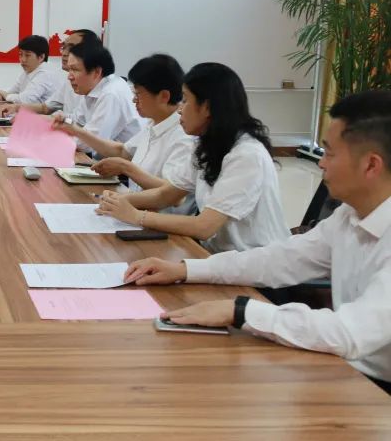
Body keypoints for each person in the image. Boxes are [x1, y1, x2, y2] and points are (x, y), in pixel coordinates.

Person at [124, 90, 391, 393]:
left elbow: (349, 333)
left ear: (371, 165)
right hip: (345, 369)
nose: (321, 164)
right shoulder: (348, 215)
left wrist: (240, 311)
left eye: (329, 153)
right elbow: (280, 259)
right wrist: (185, 269)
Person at [96, 62, 289, 254]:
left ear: (207, 107)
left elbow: (204, 227)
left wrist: (136, 216)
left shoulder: (247, 155)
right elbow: (167, 194)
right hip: (218, 255)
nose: (180, 109)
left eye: (186, 100)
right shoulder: (206, 145)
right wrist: (120, 200)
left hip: (256, 261)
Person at [54, 53, 195, 209]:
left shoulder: (184, 136)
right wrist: (75, 130)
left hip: (157, 220)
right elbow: (122, 151)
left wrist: (125, 168)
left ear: (163, 96)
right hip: (132, 209)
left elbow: (174, 196)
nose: (134, 100)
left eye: (138, 94)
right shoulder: (153, 123)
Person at [52, 41, 142, 150]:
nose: (69, 77)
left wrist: (55, 139)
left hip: (125, 159)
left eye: (75, 70)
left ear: (97, 72)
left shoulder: (111, 94)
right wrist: (62, 120)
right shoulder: (92, 88)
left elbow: (89, 144)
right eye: (69, 69)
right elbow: (77, 121)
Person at [0, 29, 97, 118]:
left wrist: (35, 118)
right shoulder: (69, 81)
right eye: (64, 47)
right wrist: (16, 108)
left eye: (71, 48)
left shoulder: (96, 88)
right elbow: (46, 108)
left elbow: (77, 122)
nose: (64, 53)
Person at [0, 35, 65, 105]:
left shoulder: (46, 74)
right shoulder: (29, 70)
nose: (23, 59)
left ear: (41, 57)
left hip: (51, 113)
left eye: (27, 55)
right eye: (20, 54)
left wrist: (6, 95)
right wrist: (2, 95)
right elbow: (14, 90)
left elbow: (25, 100)